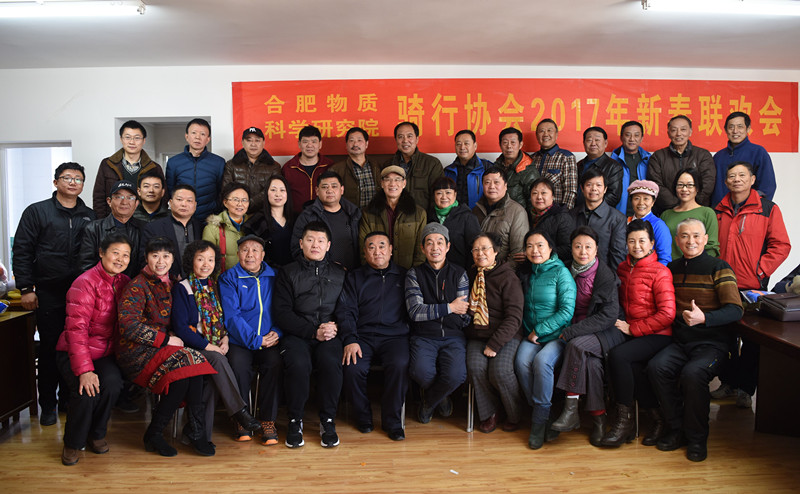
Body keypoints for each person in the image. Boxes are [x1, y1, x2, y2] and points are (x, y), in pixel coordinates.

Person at [648, 218, 743, 462]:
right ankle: (676, 428)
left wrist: (705, 318)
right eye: (685, 236)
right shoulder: (671, 268)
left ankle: (697, 438)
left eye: (696, 236)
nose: (691, 241)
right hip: (680, 342)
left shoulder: (719, 267)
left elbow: (736, 310)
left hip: (713, 344)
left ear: (705, 239)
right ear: (677, 241)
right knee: (657, 367)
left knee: (693, 374)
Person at [117, 237, 217, 457]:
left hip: (165, 348)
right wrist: (165, 339)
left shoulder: (172, 283)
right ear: (146, 258)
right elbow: (128, 326)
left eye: (166, 256)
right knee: (188, 365)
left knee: (191, 367)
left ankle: (188, 432)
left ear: (173, 259)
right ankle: (162, 433)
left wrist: (171, 335)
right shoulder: (137, 286)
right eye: (155, 256)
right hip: (137, 352)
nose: (160, 261)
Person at [12, 162, 95, 426]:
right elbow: (22, 250)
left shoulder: (89, 216)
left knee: (75, 346)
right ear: (56, 182)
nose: (73, 182)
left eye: (78, 179)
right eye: (67, 178)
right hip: (48, 290)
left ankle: (67, 400)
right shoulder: (37, 212)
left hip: (80, 292)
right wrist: (26, 288)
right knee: (49, 347)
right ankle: (47, 403)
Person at [711, 161, 790, 408]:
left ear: (752, 179)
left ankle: (746, 388)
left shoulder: (767, 209)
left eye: (742, 175)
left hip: (752, 287)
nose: (737, 179)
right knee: (725, 337)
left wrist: (760, 270)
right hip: (723, 285)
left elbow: (781, 245)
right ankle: (728, 383)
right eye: (731, 176)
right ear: (726, 182)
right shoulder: (718, 210)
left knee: (753, 340)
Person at [171, 239, 264, 444]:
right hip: (192, 347)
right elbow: (181, 328)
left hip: (216, 345)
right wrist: (209, 346)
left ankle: (197, 434)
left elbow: (226, 319)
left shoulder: (216, 286)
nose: (206, 264)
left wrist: (226, 339)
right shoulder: (182, 288)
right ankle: (240, 411)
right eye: (200, 259)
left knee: (214, 376)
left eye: (211, 259)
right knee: (217, 360)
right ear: (191, 261)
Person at [56, 233, 131, 465]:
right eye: (115, 253)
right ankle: (72, 442)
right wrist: (85, 370)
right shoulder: (85, 282)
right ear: (101, 253)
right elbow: (76, 331)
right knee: (87, 390)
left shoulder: (125, 282)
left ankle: (96, 434)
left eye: (126, 255)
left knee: (112, 384)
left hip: (104, 352)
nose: (120, 259)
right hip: (74, 350)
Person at [601, 220, 675, 448]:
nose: (637, 246)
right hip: (633, 333)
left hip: (658, 334)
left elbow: (668, 314)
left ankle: (624, 422)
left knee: (619, 356)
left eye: (642, 241)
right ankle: (657, 419)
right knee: (633, 368)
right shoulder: (622, 269)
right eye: (631, 241)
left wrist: (633, 329)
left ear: (652, 243)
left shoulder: (660, 271)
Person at [273, 221, 346, 448]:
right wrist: (313, 332)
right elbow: (282, 313)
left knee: (331, 362)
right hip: (298, 334)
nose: (315, 245)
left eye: (320, 241)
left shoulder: (340, 273)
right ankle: (295, 420)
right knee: (298, 364)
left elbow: (346, 309)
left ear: (328, 245)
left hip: (329, 334)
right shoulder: (288, 272)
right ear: (301, 243)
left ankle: (328, 420)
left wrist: (335, 327)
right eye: (310, 240)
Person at [550, 226, 624, 447]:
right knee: (591, 365)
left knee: (575, 346)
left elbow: (608, 316)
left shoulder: (605, 275)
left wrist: (571, 332)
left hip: (605, 332)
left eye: (588, 247)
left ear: (596, 249)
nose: (583, 251)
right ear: (571, 248)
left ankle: (570, 410)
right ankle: (599, 419)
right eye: (578, 246)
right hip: (578, 331)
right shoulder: (565, 270)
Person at [337, 232, 409, 441]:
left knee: (400, 364)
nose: (377, 251)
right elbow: (346, 311)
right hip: (363, 336)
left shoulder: (405, 276)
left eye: (382, 246)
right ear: (365, 252)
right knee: (352, 367)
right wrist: (350, 339)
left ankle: (392, 421)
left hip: (395, 337)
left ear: (391, 250)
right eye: (371, 247)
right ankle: (363, 417)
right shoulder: (354, 277)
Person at [217, 235, 284, 445]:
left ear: (263, 255)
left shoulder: (275, 276)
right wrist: (256, 340)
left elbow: (283, 308)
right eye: (245, 250)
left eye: (255, 250)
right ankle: (242, 419)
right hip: (240, 341)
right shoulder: (228, 278)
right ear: (238, 254)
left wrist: (277, 332)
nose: (250, 255)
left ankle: (268, 420)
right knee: (238, 366)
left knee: (274, 364)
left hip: (269, 339)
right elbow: (232, 317)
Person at [514, 231, 576, 450]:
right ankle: (543, 414)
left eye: (540, 245)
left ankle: (538, 423)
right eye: (529, 246)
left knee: (542, 363)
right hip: (532, 335)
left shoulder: (561, 273)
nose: (535, 250)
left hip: (557, 336)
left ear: (550, 248)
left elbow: (567, 311)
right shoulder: (527, 272)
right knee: (521, 362)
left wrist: (539, 330)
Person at [405, 223, 471, 424]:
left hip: (453, 335)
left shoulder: (459, 274)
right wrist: (449, 307)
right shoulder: (414, 274)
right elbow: (415, 312)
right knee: (420, 372)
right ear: (422, 248)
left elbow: (463, 313)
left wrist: (435, 310)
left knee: (457, 375)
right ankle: (441, 398)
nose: (435, 248)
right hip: (423, 335)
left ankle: (429, 401)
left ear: (448, 246)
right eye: (429, 243)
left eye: (440, 242)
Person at [465, 233, 524, 434]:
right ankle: (490, 412)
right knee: (475, 367)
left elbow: (514, 317)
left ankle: (514, 413)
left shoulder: (508, 276)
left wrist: (495, 344)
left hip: (506, 335)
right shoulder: (470, 275)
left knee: (500, 371)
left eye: (485, 249)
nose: (480, 253)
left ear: (496, 252)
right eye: (476, 249)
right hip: (478, 334)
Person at [93, 120, 165, 218]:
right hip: (114, 219)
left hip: (145, 220)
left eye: (137, 138)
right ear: (121, 139)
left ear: (144, 141)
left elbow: (162, 196)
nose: (132, 142)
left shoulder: (154, 167)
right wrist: (102, 222)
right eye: (127, 137)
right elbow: (99, 197)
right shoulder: (107, 164)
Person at [291, 170, 361, 270]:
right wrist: (327, 268)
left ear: (342, 190)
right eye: (324, 187)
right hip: (320, 275)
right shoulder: (307, 216)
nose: (329, 190)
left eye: (334, 186)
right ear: (317, 191)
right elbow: (296, 249)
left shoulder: (354, 214)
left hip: (352, 273)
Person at [359, 166, 426, 269]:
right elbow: (363, 247)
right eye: (388, 179)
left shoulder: (419, 213)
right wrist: (372, 272)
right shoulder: (369, 213)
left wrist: (414, 273)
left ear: (404, 183)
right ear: (382, 183)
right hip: (376, 272)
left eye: (397, 179)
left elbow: (420, 250)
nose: (392, 184)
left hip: (408, 272)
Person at [647, 115, 715, 213]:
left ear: (690, 132)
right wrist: (677, 206)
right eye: (674, 130)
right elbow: (656, 185)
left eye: (683, 129)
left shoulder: (703, 155)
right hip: (667, 212)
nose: (678, 134)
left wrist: (691, 205)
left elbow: (708, 183)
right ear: (668, 133)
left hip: (697, 210)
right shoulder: (658, 157)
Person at [80, 180, 143, 278]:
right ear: (109, 201)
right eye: (118, 197)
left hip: (134, 285)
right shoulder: (93, 228)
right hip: (100, 284)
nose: (124, 202)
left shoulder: (143, 228)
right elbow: (85, 266)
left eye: (130, 197)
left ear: (136, 203)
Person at [165, 118, 226, 221]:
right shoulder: (173, 162)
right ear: (187, 136)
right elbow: (170, 191)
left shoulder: (218, 162)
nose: (198, 137)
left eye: (202, 134)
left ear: (208, 139)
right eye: (194, 133)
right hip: (182, 217)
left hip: (209, 218)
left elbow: (221, 191)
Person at [711, 112, 776, 206]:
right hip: (720, 210)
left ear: (748, 128)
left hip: (749, 210)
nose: (735, 131)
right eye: (731, 127)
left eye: (740, 126)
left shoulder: (758, 152)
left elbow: (767, 186)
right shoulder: (718, 156)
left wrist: (753, 207)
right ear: (725, 130)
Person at [140, 184, 204, 279]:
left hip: (196, 282)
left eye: (189, 200)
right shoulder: (154, 228)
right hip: (165, 283)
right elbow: (144, 259)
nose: (184, 204)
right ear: (170, 202)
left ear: (195, 205)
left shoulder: (201, 227)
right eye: (179, 199)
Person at [571, 168, 627, 270]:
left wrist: (612, 278)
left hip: (603, 275)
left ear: (605, 189)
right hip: (573, 273)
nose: (594, 189)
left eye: (598, 185)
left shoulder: (617, 219)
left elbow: (617, 255)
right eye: (589, 185)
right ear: (582, 188)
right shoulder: (571, 215)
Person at [472, 165, 529, 264]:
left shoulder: (517, 211)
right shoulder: (476, 210)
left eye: (496, 182)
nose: (492, 186)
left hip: (504, 271)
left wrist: (502, 271)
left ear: (505, 186)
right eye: (487, 182)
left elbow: (517, 254)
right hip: (478, 268)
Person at [659, 167, 720, 261]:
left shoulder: (707, 213)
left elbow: (712, 247)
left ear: (697, 188)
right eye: (680, 185)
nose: (684, 189)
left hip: (698, 267)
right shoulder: (666, 215)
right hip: (669, 266)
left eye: (690, 185)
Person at [383, 121, 444, 210]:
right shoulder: (388, 165)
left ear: (417, 139)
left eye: (409, 136)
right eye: (400, 137)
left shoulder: (432, 163)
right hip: (395, 216)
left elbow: (438, 195)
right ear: (396, 140)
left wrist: (429, 217)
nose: (405, 140)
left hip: (423, 216)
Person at [222, 126, 280, 215]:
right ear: (242, 143)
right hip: (237, 213)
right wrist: (242, 204)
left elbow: (275, 191)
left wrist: (249, 203)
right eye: (249, 140)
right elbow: (226, 190)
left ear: (263, 143)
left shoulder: (274, 166)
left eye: (257, 140)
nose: (253, 144)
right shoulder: (231, 165)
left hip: (264, 214)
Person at [242, 175, 296, 268]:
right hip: (268, 272)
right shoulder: (256, 222)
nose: (278, 194)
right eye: (273, 190)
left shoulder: (297, 219)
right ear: (266, 193)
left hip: (294, 272)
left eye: (282, 190)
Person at [427, 177, 481, 269]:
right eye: (439, 193)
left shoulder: (467, 217)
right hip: (433, 270)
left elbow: (475, 247)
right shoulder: (429, 216)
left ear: (455, 194)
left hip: (460, 270)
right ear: (434, 196)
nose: (444, 197)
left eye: (448, 192)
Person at [282, 125, 334, 213]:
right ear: (299, 144)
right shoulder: (288, 168)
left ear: (320, 144)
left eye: (314, 141)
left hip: (325, 216)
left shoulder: (330, 166)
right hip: (295, 217)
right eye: (305, 142)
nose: (310, 145)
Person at [531, 119, 578, 209]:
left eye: (549, 130)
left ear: (556, 134)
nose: (545, 134)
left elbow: (570, 191)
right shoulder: (532, 159)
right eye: (542, 131)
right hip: (534, 213)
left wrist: (564, 214)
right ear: (536, 135)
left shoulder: (566, 157)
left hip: (556, 212)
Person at [202, 182, 250, 271]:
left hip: (249, 277)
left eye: (244, 200)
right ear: (225, 202)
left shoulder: (254, 224)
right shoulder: (212, 228)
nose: (240, 204)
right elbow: (206, 260)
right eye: (235, 200)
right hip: (223, 277)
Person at [331, 127, 381, 208]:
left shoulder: (377, 167)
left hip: (375, 214)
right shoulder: (336, 170)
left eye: (359, 140)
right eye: (351, 140)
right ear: (346, 145)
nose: (355, 144)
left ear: (366, 144)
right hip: (349, 214)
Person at [609, 121, 652, 216]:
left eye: (636, 135)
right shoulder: (613, 161)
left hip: (643, 212)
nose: (632, 139)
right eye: (628, 135)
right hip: (619, 214)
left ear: (641, 138)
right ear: (621, 137)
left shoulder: (648, 160)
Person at [528, 177, 574, 265]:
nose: (539, 197)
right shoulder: (528, 214)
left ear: (552, 196)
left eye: (543, 193)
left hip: (554, 266)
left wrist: (539, 253)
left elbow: (568, 249)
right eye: (535, 193)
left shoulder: (562, 217)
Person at [625, 180, 672, 265]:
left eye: (646, 198)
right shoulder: (626, 222)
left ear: (653, 202)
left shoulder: (659, 225)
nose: (641, 203)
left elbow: (664, 258)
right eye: (637, 198)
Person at [576, 126, 622, 210]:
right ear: (584, 143)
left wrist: (590, 208)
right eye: (589, 140)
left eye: (597, 140)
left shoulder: (614, 167)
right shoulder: (579, 164)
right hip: (577, 212)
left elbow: (613, 196)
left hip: (600, 214)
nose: (593, 143)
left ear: (605, 143)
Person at [495, 127, 539, 211]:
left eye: (513, 142)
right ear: (500, 145)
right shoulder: (496, 166)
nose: (509, 146)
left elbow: (533, 204)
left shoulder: (529, 170)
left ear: (520, 144)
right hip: (497, 214)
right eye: (505, 142)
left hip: (518, 216)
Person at [444, 129, 488, 209]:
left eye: (466, 143)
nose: (462, 147)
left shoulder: (486, 168)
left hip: (479, 214)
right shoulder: (448, 171)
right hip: (454, 214)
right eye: (458, 144)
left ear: (475, 146)